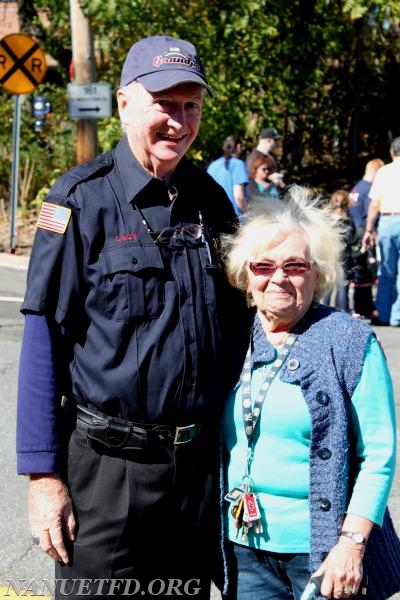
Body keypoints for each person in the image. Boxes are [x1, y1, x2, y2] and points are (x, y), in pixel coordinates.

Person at [16, 35, 249, 599]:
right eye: (164, 104)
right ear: (124, 103)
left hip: (195, 477)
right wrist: (43, 477)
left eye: (191, 105)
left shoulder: (211, 201)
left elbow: (250, 312)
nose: (180, 120)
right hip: (107, 475)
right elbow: (44, 336)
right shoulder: (75, 201)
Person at [219, 185, 400, 600]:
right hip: (243, 548)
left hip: (322, 553)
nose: (278, 277)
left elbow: (379, 454)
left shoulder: (349, 340)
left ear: (317, 272)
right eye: (263, 266)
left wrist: (351, 546)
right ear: (246, 274)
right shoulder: (231, 337)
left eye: (295, 265)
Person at [363, 137, 400, 326]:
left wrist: (369, 229)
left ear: (392, 153)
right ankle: (397, 315)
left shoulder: (384, 172)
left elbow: (374, 204)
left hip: (388, 220)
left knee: (386, 270)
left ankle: (384, 314)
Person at [348, 159, 383, 319]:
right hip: (363, 232)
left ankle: (358, 307)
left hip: (353, 232)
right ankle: (366, 308)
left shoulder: (356, 187)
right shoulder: (370, 189)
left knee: (358, 271)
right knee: (367, 271)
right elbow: (371, 212)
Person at [321, 190, 356, 313]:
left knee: (328, 286)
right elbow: (352, 240)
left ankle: (323, 311)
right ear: (346, 203)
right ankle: (344, 312)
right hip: (344, 255)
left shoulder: (326, 220)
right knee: (342, 286)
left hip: (329, 253)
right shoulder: (347, 221)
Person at [207, 135, 249, 218]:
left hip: (213, 217)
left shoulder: (213, 165)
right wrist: (250, 216)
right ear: (238, 146)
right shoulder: (238, 164)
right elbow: (239, 196)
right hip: (234, 219)